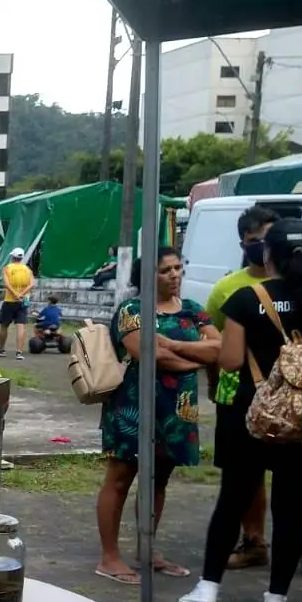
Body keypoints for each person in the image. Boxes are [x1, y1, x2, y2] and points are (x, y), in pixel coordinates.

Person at [181, 219, 302, 602]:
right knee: (291, 508)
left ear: (267, 253)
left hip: (250, 416)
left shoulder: (245, 297)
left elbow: (232, 361)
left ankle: (208, 588)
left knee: (233, 500)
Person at [206, 206, 302, 584]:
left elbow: (225, 353)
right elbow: (218, 342)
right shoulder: (226, 289)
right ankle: (255, 544)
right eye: (253, 240)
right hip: (243, 402)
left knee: (293, 487)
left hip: (300, 404)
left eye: (266, 239)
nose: (260, 247)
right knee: (249, 484)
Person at [94, 247, 219, 584]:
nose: (175, 275)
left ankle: (146, 549)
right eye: (166, 270)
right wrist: (197, 358)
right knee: (120, 478)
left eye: (178, 268)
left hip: (177, 410)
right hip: (135, 407)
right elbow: (149, 355)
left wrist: (175, 346)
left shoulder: (194, 311)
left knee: (158, 480)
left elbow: (218, 348)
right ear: (148, 276)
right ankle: (109, 557)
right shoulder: (132, 310)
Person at [0, 249, 34, 361]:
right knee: (21, 326)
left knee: (4, 325)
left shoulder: (7, 268)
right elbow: (32, 284)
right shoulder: (27, 270)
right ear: (21, 258)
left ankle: (1, 349)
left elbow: (6, 284)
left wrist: (15, 294)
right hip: (22, 301)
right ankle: (19, 352)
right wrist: (21, 294)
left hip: (9, 301)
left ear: (12, 257)